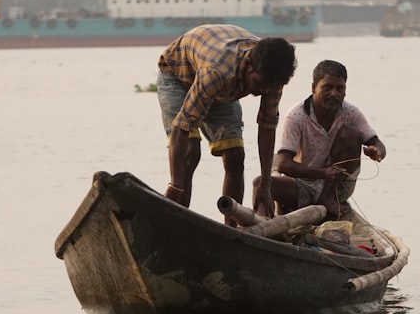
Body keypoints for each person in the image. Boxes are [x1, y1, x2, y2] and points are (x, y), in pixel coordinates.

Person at [156, 24, 297, 221]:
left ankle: (231, 227)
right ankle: (176, 218)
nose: (264, 91)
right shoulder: (217, 73)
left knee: (235, 156)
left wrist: (266, 182)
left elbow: (267, 127)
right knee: (190, 152)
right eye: (260, 83)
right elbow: (182, 128)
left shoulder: (272, 78)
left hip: (222, 88)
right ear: (249, 65)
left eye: (269, 87)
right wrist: (175, 186)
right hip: (178, 74)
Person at [263, 59, 386, 218]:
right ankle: (265, 225)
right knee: (262, 184)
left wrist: (377, 152)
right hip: (303, 185)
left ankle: (328, 199)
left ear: (345, 91)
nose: (334, 94)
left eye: (339, 89)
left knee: (351, 134)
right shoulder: (296, 116)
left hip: (335, 189)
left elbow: (377, 143)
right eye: (327, 87)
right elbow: (283, 164)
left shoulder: (351, 113)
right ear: (314, 88)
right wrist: (323, 173)